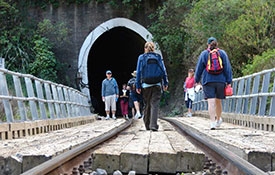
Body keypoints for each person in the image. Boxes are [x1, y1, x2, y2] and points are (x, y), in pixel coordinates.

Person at [195, 37, 232, 130]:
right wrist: (229, 81)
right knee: (218, 101)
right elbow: (227, 68)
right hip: (221, 81)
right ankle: (218, 119)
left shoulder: (204, 54)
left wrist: (197, 80)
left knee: (211, 102)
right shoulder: (222, 53)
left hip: (208, 81)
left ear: (208, 44)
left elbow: (199, 68)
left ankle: (212, 122)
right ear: (217, 44)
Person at [136, 41, 169, 131]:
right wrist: (165, 83)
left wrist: (137, 85)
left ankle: (147, 124)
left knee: (147, 104)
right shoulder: (158, 57)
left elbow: (138, 72)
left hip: (146, 84)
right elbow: (163, 70)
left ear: (145, 49)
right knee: (154, 104)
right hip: (157, 84)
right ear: (153, 48)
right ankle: (153, 125)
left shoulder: (141, 57)